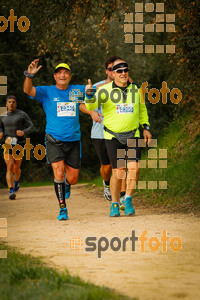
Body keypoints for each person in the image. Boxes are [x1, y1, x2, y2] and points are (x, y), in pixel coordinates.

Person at [23, 59, 100, 221]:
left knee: (73, 178)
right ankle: (62, 208)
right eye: (59, 73)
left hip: (73, 140)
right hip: (53, 139)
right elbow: (27, 90)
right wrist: (30, 75)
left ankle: (66, 184)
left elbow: (88, 96)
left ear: (70, 76)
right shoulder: (47, 92)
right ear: (55, 76)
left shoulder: (76, 91)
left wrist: (91, 93)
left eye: (66, 73)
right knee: (58, 171)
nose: (63, 75)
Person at [85, 59, 152, 217]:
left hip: (133, 134)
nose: (123, 73)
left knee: (134, 168)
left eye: (125, 70)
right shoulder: (104, 90)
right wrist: (89, 94)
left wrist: (146, 128)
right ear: (113, 74)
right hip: (112, 136)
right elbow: (91, 107)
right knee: (118, 172)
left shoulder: (136, 90)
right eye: (119, 71)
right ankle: (114, 204)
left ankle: (127, 199)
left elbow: (142, 110)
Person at [0, 95, 34, 200]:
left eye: (13, 102)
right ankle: (11, 190)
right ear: (6, 104)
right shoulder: (2, 114)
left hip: (19, 143)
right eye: (9, 102)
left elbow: (31, 126)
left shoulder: (21, 114)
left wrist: (23, 132)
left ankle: (16, 180)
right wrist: (0, 132)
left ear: (16, 104)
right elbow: (0, 126)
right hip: (7, 143)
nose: (11, 103)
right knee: (9, 166)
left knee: (16, 168)